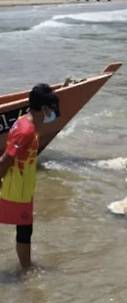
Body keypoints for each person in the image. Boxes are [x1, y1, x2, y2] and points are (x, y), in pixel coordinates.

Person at [0, 83, 59, 270]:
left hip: (23, 187)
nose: (54, 112)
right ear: (44, 108)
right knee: (25, 229)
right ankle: (26, 270)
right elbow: (7, 158)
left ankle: (26, 267)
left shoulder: (28, 122)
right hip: (14, 188)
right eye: (52, 108)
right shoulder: (26, 130)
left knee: (25, 228)